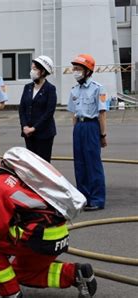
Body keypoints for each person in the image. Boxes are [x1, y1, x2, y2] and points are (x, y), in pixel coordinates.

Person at [0, 138, 97, 298]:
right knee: (22, 273)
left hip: (37, 236)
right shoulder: (1, 170)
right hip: (55, 234)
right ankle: (77, 274)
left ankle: (8, 293)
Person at [67, 54, 108, 211]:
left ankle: (97, 199)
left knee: (93, 164)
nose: (75, 72)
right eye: (74, 68)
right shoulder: (74, 90)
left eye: (78, 69)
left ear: (88, 71)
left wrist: (102, 135)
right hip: (79, 127)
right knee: (79, 164)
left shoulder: (97, 88)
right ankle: (83, 197)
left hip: (92, 126)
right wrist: (75, 130)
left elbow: (102, 114)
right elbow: (73, 114)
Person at [18, 55, 57, 162]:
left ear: (43, 71)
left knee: (43, 165)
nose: (32, 71)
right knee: (31, 164)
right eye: (32, 68)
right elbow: (22, 109)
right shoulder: (28, 87)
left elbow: (49, 113)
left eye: (35, 69)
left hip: (44, 134)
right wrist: (24, 126)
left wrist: (34, 128)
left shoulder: (50, 89)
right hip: (28, 134)